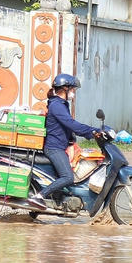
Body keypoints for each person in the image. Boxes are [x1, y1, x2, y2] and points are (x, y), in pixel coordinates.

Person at [31, 73, 103, 209]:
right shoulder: (57, 105)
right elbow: (71, 124)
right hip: (54, 148)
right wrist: (92, 131)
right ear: (65, 89)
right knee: (68, 177)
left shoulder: (61, 104)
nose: (74, 92)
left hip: (60, 146)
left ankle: (61, 200)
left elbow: (68, 127)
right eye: (73, 89)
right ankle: (39, 196)